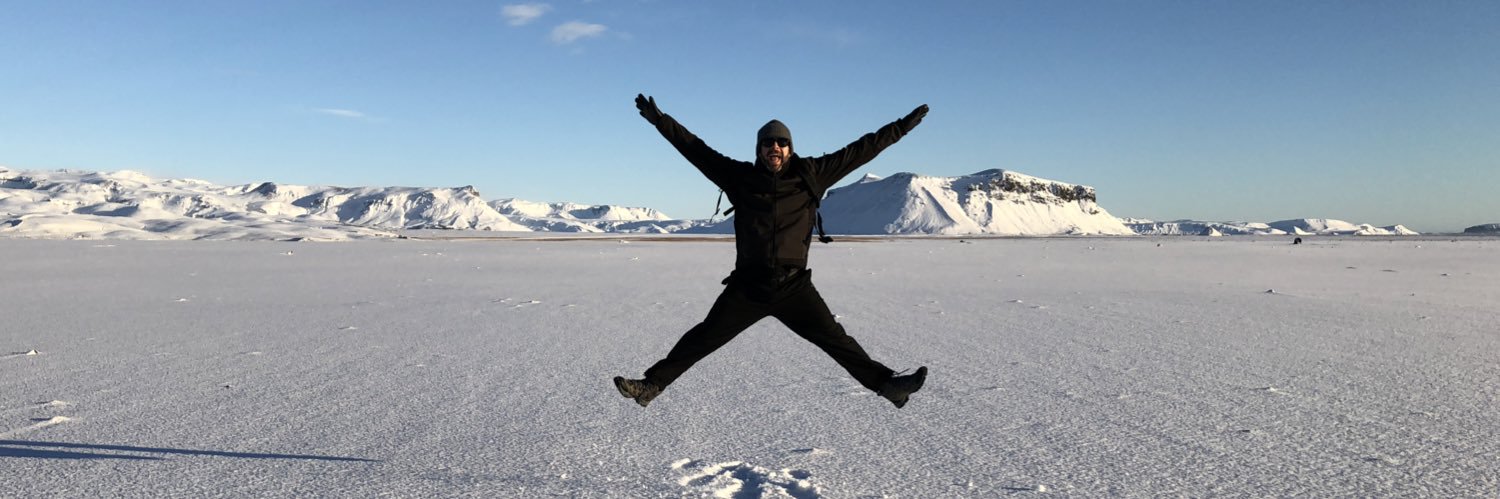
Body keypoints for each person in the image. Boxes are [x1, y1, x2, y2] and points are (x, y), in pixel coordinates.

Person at [612, 94, 930, 409]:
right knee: (703, 338)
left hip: (794, 287)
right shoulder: (740, 178)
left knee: (836, 341)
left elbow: (863, 149)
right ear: (759, 149)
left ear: (790, 148)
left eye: (781, 142)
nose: (774, 147)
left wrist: (902, 127)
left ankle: (889, 386)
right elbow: (697, 151)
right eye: (768, 143)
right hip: (748, 286)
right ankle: (650, 385)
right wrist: (661, 121)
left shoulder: (812, 173)